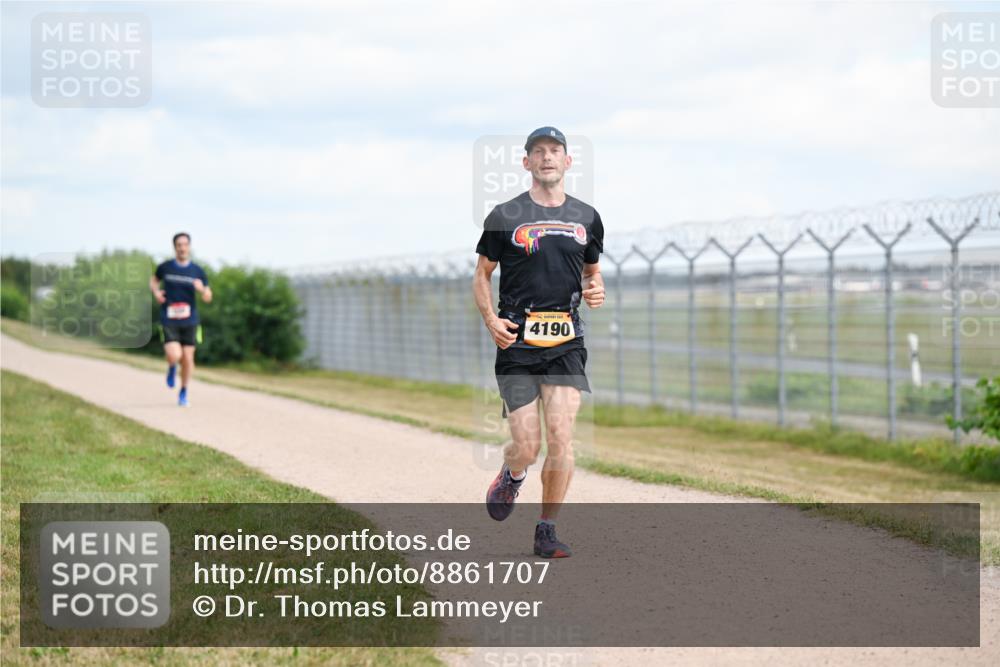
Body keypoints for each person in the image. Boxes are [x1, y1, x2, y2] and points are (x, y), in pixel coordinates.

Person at [473, 127, 605, 558]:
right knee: (527, 446)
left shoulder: (588, 218)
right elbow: (482, 276)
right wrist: (492, 320)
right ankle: (512, 475)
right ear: (526, 162)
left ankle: (546, 528)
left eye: (555, 151)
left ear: (568, 162)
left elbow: (591, 272)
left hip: (566, 341)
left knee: (562, 434)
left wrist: (596, 288)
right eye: (538, 152)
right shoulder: (504, 216)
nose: (547, 157)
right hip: (517, 344)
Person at [150, 233, 212, 407]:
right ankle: (171, 367)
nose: (182, 248)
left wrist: (202, 290)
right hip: (169, 318)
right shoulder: (165, 267)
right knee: (175, 355)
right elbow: (153, 281)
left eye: (185, 244)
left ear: (189, 246)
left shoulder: (197, 271)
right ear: (174, 247)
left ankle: (183, 391)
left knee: (188, 358)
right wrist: (156, 292)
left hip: (190, 320)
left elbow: (208, 296)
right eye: (179, 245)